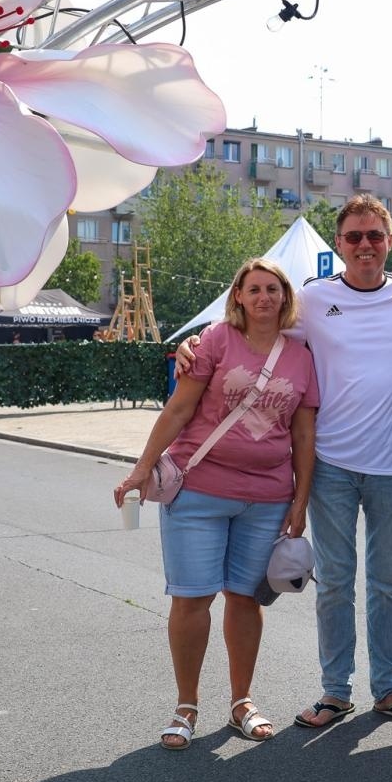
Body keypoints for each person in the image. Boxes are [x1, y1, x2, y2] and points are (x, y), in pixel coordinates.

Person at [175, 194, 392, 729]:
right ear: (338, 244)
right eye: (354, 237)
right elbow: (250, 333)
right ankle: (335, 691)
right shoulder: (315, 299)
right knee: (336, 581)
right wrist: (193, 344)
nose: (365, 245)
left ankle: (390, 687)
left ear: (389, 241)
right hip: (333, 464)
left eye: (375, 236)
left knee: (389, 581)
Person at [116, 258, 318, 748]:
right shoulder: (215, 341)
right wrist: (143, 467)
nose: (265, 297)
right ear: (240, 297)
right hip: (199, 490)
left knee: (246, 599)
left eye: (273, 289)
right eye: (255, 289)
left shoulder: (301, 355)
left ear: (286, 298)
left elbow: (303, 432)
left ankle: (241, 701)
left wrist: (301, 498)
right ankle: (186, 706)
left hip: (267, 498)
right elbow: (180, 407)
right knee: (192, 598)